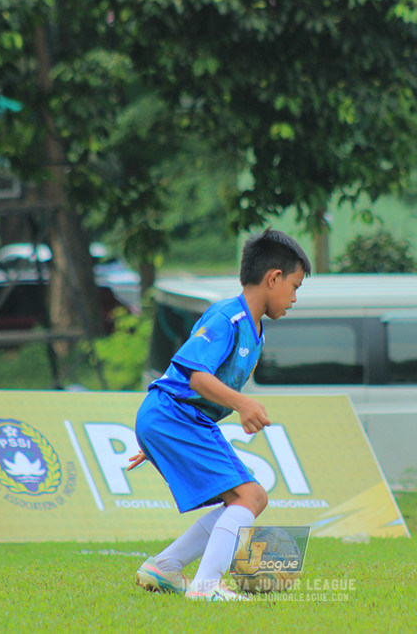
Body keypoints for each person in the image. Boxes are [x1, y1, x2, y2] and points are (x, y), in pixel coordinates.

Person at [128, 228, 311, 602]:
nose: (294, 298)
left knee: (246, 497)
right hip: (173, 417)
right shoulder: (227, 317)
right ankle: (206, 586)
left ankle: (165, 567)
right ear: (273, 278)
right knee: (250, 496)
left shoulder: (255, 330)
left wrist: (158, 441)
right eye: (294, 287)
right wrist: (243, 404)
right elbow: (196, 376)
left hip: (177, 421)